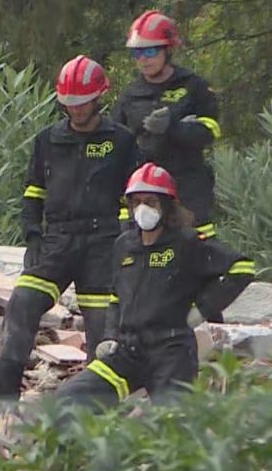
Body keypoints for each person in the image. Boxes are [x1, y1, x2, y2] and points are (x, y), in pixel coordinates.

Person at [0, 56, 138, 417]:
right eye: (68, 103)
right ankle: (4, 398)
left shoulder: (121, 141)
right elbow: (33, 192)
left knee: (103, 331)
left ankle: (94, 411)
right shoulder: (48, 140)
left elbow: (135, 196)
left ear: (99, 98)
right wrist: (32, 236)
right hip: (56, 241)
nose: (75, 110)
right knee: (23, 303)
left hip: (104, 242)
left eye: (81, 102)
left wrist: (125, 240)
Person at [54, 163, 254, 411]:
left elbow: (242, 268)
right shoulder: (124, 245)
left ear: (167, 205)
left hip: (171, 352)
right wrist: (110, 336)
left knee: (171, 426)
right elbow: (117, 297)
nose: (142, 209)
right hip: (128, 350)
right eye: (136, 202)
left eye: (150, 202)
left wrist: (202, 309)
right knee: (70, 399)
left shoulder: (187, 243)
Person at [112, 9, 222, 239]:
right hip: (144, 190)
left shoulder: (193, 86)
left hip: (187, 186)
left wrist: (174, 128)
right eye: (137, 53)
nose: (144, 59)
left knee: (197, 250)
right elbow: (118, 144)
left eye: (151, 51)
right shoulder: (131, 95)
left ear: (168, 50)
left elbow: (210, 130)